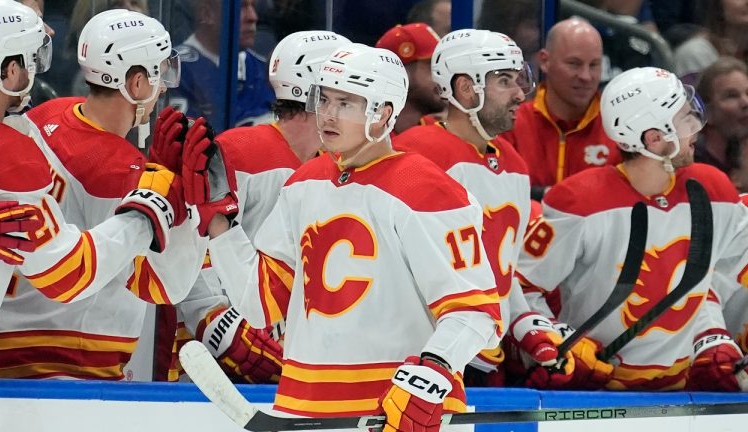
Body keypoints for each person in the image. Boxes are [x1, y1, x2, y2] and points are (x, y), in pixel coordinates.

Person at [194, 43, 502, 424]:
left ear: (384, 113)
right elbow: (260, 303)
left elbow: (475, 312)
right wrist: (221, 224)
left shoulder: (427, 189)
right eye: (323, 100)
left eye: (346, 103)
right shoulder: (303, 184)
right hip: (302, 408)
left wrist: (430, 374)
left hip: (399, 412)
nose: (328, 115)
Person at [0, 8, 210, 380]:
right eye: (160, 73)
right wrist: (162, 210)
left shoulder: (37, 121)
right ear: (137, 83)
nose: (165, 85)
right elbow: (165, 284)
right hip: (67, 369)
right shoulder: (122, 173)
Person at [517, 66, 748, 391]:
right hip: (594, 395)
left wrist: (710, 337)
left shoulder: (714, 190)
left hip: (684, 398)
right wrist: (558, 341)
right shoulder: (578, 201)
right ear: (655, 138)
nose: (696, 128)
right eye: (685, 119)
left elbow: (712, 282)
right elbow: (522, 286)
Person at [164, 30, 353, 384]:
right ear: (315, 93)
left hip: (303, 363)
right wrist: (224, 331)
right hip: (217, 374)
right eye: (344, 91)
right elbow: (192, 249)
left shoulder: (343, 166)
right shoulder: (237, 151)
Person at [394, 29, 579, 388]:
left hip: (485, 361)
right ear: (466, 89)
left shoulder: (513, 165)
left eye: (518, 79)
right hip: (420, 360)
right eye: (504, 81)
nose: (519, 94)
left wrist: (526, 327)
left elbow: (500, 274)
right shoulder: (414, 154)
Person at [500, 18, 622, 201]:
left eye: (594, 65)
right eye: (574, 64)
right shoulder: (510, 124)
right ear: (545, 61)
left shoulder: (620, 130)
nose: (586, 76)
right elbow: (495, 192)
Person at [169, 0, 275, 132]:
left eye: (253, 6)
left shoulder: (264, 69)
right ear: (207, 14)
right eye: (241, 7)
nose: (253, 17)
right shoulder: (177, 70)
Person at [375, 23, 446, 134]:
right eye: (431, 65)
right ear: (399, 74)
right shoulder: (364, 140)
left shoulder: (449, 135)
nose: (443, 76)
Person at [694, 56, 748, 174]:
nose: (745, 103)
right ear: (707, 112)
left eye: (747, 93)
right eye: (731, 96)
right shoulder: (694, 168)